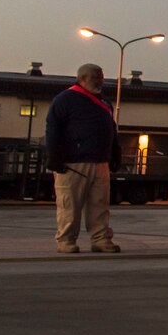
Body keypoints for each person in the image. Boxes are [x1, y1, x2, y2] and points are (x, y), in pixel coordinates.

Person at [45, 63, 123, 254]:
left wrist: (115, 153)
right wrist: (54, 157)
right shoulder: (64, 100)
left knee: (100, 205)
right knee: (69, 204)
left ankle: (101, 239)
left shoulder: (104, 102)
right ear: (82, 78)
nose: (100, 81)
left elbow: (111, 130)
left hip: (100, 162)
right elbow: (52, 129)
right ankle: (66, 240)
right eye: (96, 77)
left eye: (102, 77)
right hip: (72, 163)